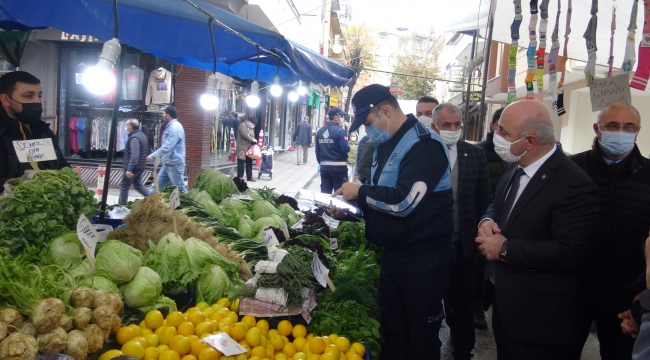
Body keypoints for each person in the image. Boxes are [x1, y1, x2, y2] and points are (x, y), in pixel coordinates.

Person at [332, 84, 455, 360]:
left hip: (424, 262)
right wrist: (351, 207)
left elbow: (404, 202)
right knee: (394, 336)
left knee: (420, 339)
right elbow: (383, 202)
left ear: (385, 110)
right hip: (395, 257)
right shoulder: (384, 146)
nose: (368, 130)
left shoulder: (425, 145)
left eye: (368, 123)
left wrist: (360, 191)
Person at [475, 100, 599, 360]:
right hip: (506, 305)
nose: (496, 137)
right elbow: (497, 204)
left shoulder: (573, 184)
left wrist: (505, 249)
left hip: (541, 320)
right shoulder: (516, 165)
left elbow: (571, 251)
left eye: (504, 133)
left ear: (529, 141)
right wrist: (486, 221)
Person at [570, 103, 650, 359]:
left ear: (638, 131)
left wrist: (641, 297)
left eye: (629, 126)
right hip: (573, 291)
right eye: (612, 125)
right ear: (597, 129)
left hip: (623, 297)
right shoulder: (571, 169)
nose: (621, 132)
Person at [430, 103, 492, 360]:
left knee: (463, 302)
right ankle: (428, 347)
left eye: (457, 125)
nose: (453, 130)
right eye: (447, 125)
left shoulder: (473, 154)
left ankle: (463, 349)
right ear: (435, 127)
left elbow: (484, 197)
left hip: (463, 244)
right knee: (431, 300)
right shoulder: (424, 153)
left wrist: (482, 228)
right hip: (431, 242)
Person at [0, 71, 68, 190]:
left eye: (39, 96)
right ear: (6, 100)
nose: (37, 101)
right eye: (28, 96)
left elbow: (61, 167)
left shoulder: (44, 132)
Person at [474, 107, 508, 329]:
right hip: (484, 223)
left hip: (509, 225)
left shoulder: (518, 158)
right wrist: (483, 220)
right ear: (493, 126)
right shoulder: (478, 153)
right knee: (479, 270)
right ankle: (477, 308)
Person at [147, 106, 187, 193]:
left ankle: (190, 206)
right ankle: (146, 204)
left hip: (174, 164)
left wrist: (154, 155)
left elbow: (168, 146)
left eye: (163, 113)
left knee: (180, 189)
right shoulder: (171, 126)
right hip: (168, 163)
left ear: (168, 115)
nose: (162, 115)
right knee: (156, 187)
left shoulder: (175, 127)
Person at [315, 107, 350, 193]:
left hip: (325, 168)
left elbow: (317, 151)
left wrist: (321, 162)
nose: (342, 118)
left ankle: (323, 207)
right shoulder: (340, 131)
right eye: (341, 116)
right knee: (339, 195)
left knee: (325, 194)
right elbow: (345, 149)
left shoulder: (320, 132)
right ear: (335, 117)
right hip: (339, 168)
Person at [119, 119, 149, 205]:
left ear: (131, 128)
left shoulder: (134, 138)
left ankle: (121, 207)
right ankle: (153, 198)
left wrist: (129, 169)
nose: (125, 128)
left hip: (134, 167)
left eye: (126, 126)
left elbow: (134, 155)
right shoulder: (141, 135)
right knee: (138, 185)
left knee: (124, 186)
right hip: (140, 165)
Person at [236, 116, 258, 182]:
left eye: (254, 125)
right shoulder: (242, 125)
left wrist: (253, 141)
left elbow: (252, 135)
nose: (253, 126)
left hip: (249, 147)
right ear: (249, 121)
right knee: (241, 162)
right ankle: (240, 177)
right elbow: (245, 135)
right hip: (242, 147)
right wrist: (253, 139)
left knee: (249, 162)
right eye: (253, 124)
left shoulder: (250, 128)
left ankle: (249, 176)